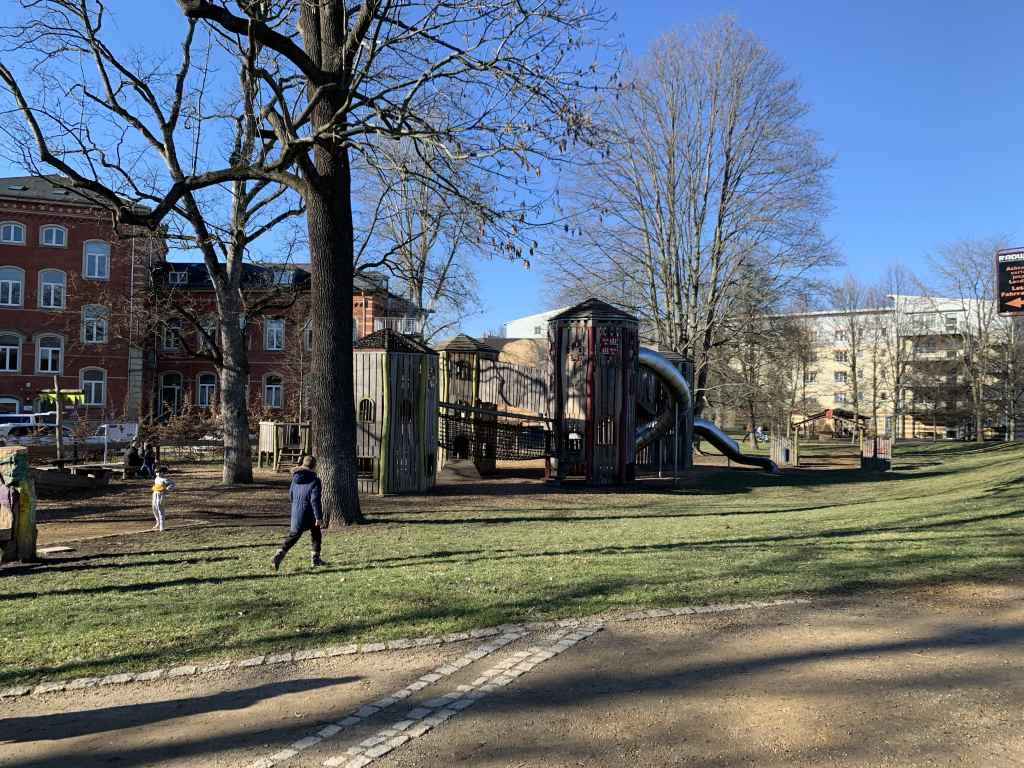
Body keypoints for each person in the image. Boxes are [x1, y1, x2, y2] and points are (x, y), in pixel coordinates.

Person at [272, 455, 325, 570]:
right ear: (314, 466)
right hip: (309, 512)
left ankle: (280, 553)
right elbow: (315, 500)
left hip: (296, 510)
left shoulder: (295, 478)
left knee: (294, 535)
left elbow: (290, 495)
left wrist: (297, 505)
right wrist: (318, 517)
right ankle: (315, 559)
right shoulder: (315, 480)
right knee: (316, 534)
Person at [150, 465, 176, 531]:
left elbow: (172, 484)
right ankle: (158, 522)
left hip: (160, 495)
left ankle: (162, 527)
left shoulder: (164, 479)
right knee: (154, 509)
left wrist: (167, 490)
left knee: (160, 510)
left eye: (159, 472)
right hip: (155, 494)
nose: (157, 473)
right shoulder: (156, 478)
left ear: (162, 472)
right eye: (156, 472)